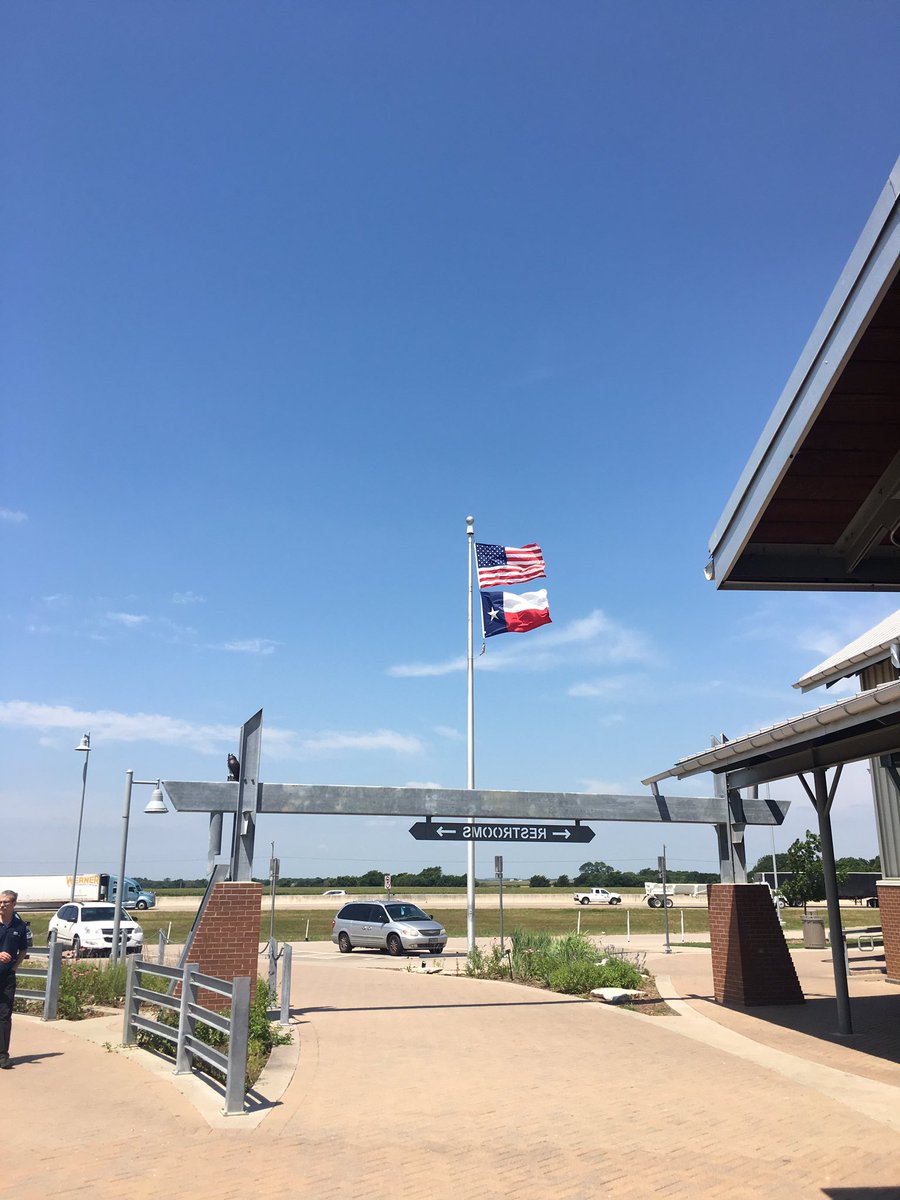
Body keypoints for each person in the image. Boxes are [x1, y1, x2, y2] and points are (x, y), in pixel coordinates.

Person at [0, 890, 30, 1069]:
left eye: (6, 902)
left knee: (4, 1016)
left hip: (7, 977)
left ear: (14, 904)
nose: (2, 905)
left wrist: (13, 967)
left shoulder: (19, 926)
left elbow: (23, 950)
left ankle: (3, 1055)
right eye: (0, 902)